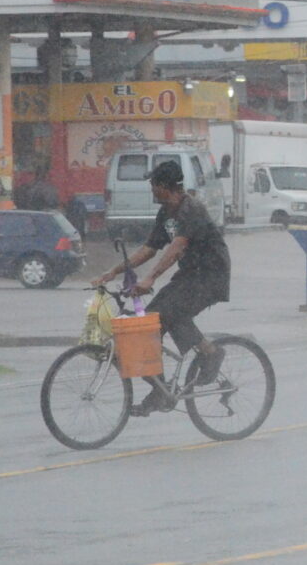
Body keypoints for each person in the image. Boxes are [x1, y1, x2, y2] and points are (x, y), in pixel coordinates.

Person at [90, 158, 231, 415]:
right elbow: (149, 249)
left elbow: (177, 246)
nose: (151, 189)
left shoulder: (191, 209)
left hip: (211, 275)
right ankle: (161, 390)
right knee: (149, 323)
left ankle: (210, 354)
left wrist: (150, 279)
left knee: (167, 314)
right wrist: (113, 271)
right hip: (190, 275)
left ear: (165, 186)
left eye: (153, 184)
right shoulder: (166, 213)